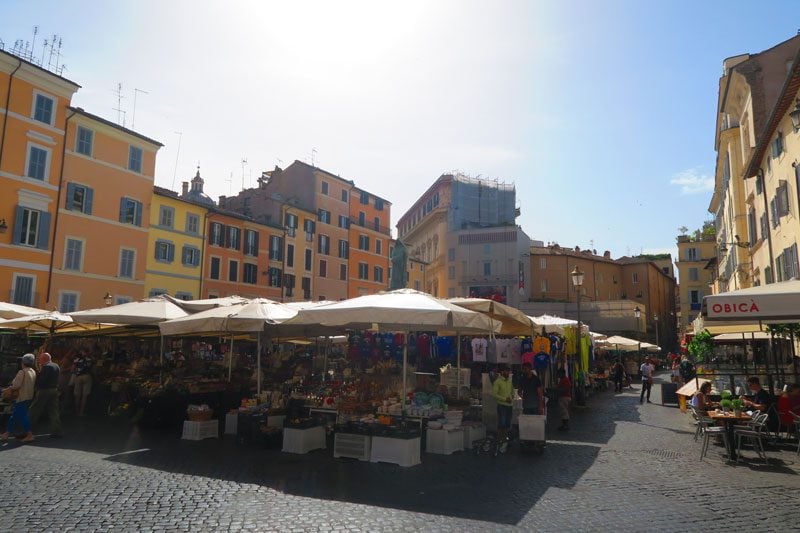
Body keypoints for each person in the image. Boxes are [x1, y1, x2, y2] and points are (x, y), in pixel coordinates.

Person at [0, 353, 37, 442]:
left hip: (21, 397)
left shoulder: (22, 372)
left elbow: (16, 385)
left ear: (23, 362)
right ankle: (6, 434)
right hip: (28, 396)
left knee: (22, 416)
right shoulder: (33, 371)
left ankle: (30, 434)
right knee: (14, 416)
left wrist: (7, 389)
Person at [28, 352, 63, 438]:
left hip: (44, 390)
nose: (39, 360)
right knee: (54, 411)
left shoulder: (46, 367)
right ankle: (57, 431)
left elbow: (42, 380)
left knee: (34, 409)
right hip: (54, 390)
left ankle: (25, 428)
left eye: (40, 359)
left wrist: (37, 387)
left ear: (44, 359)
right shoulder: (56, 366)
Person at [492, 365, 514, 442]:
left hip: (510, 405)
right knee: (502, 422)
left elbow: (512, 391)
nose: (508, 372)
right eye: (506, 371)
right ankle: (499, 439)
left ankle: (505, 439)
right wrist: (505, 399)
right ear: (502, 372)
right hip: (502, 406)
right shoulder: (497, 382)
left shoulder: (509, 381)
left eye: (508, 371)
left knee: (508, 423)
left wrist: (512, 397)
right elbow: (494, 394)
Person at [72, 349, 94, 416]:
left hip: (78, 377)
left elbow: (72, 369)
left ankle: (76, 411)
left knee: (77, 395)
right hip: (87, 376)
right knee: (84, 396)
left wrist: (76, 372)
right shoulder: (90, 359)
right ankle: (81, 413)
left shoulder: (76, 359)